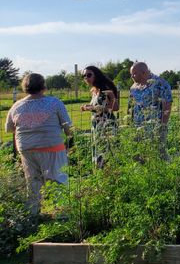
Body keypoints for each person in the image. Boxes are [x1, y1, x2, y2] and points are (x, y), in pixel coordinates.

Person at [4, 73, 72, 214]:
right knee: (58, 180)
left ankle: (33, 214)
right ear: (43, 86)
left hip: (26, 148)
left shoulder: (16, 106)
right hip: (52, 147)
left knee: (33, 182)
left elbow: (8, 129)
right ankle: (62, 214)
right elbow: (68, 128)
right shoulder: (54, 103)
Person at [128, 62, 173, 157]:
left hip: (154, 127)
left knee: (158, 154)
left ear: (144, 72)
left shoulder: (160, 83)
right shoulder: (134, 87)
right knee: (138, 154)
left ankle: (164, 171)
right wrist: (130, 123)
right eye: (131, 74)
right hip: (137, 127)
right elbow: (131, 106)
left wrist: (162, 126)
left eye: (134, 73)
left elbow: (167, 105)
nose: (132, 76)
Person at [80, 65, 119, 167]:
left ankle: (110, 179)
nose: (86, 78)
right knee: (98, 153)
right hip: (96, 125)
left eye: (89, 75)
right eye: (84, 76)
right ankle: (101, 177)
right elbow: (98, 105)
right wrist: (88, 107)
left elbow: (115, 107)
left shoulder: (106, 88)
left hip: (106, 125)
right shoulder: (94, 90)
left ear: (96, 75)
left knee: (107, 155)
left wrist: (94, 108)